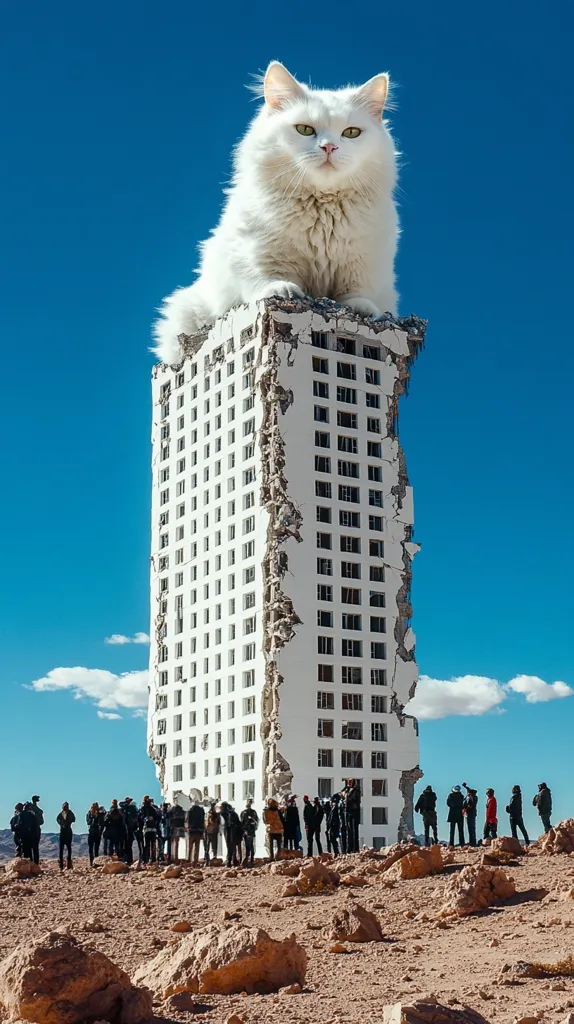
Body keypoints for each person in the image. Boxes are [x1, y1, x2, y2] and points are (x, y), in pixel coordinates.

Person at [220, 802, 243, 867]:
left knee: (229, 846)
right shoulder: (234, 814)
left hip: (228, 831)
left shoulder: (223, 813)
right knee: (233, 846)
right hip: (234, 831)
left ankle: (229, 861)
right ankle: (234, 860)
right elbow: (239, 823)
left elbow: (222, 823)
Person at [342, 779, 361, 853]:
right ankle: (349, 848)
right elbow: (343, 795)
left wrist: (348, 800)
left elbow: (357, 801)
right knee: (349, 831)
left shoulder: (356, 791)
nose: (348, 783)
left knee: (354, 831)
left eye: (350, 782)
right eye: (348, 782)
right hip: (348, 812)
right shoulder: (347, 790)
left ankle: (355, 848)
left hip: (354, 812)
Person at [57, 802, 76, 871]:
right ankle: (61, 865)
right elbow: (57, 819)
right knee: (61, 849)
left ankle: (69, 864)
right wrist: (61, 824)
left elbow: (74, 819)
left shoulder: (70, 813)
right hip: (62, 832)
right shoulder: (61, 813)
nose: (65, 807)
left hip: (68, 831)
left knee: (69, 848)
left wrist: (68, 822)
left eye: (66, 806)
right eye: (64, 806)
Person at [120, 797, 139, 864]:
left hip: (129, 829)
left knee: (128, 846)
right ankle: (127, 860)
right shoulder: (125, 808)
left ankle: (129, 860)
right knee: (125, 846)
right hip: (125, 830)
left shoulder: (132, 808)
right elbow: (120, 804)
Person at [187, 800, 205, 866]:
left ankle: (189, 860)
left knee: (190, 847)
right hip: (199, 831)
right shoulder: (201, 810)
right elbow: (203, 821)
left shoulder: (190, 810)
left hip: (192, 831)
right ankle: (195, 861)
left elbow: (188, 820)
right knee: (197, 848)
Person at [240, 801, 258, 867]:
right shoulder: (250, 812)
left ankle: (248, 860)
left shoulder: (245, 812)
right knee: (250, 845)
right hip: (249, 831)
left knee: (248, 846)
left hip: (248, 831)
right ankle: (250, 860)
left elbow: (242, 822)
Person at [30, 795, 44, 865]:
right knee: (35, 848)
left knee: (31, 848)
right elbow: (41, 821)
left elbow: (41, 821)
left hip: (32, 829)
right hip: (35, 829)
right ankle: (35, 864)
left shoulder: (32, 809)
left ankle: (33, 863)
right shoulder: (37, 810)